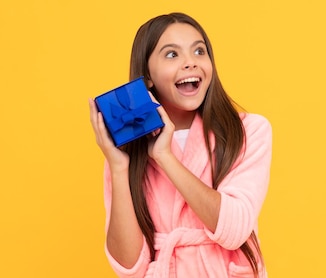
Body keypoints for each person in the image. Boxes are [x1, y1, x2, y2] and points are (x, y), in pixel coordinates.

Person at [88, 12, 271, 278]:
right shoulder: (126, 152)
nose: (190, 63)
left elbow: (235, 230)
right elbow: (128, 267)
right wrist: (117, 167)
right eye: (172, 55)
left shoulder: (248, 131)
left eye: (199, 51)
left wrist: (165, 156)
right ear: (147, 76)